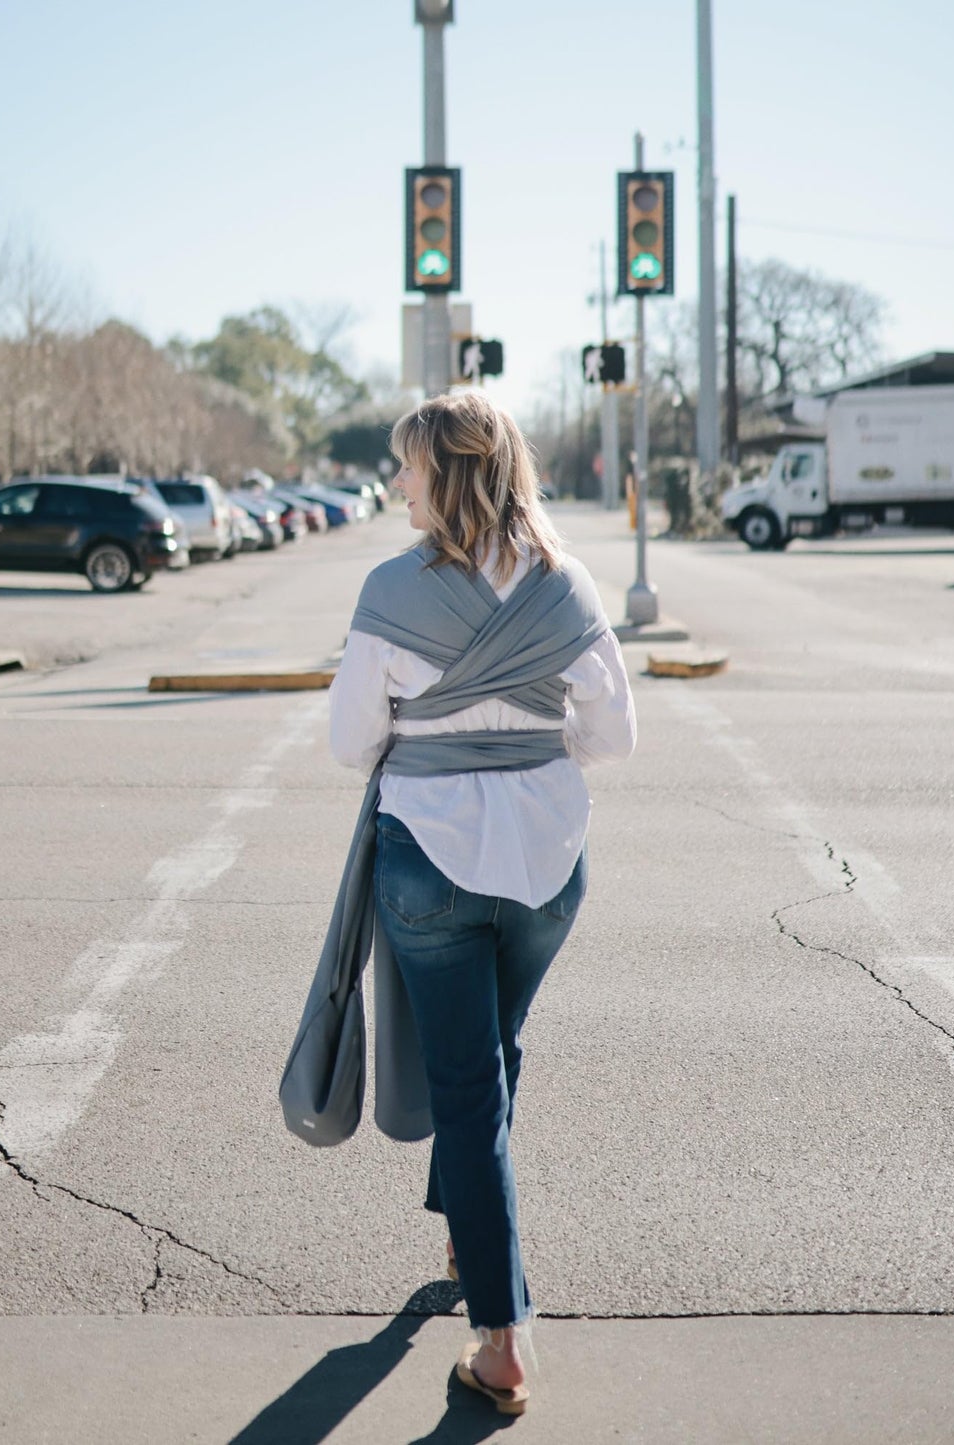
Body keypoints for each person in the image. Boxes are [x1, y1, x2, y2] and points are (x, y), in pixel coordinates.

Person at [327, 391, 636, 1413]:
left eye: (407, 466)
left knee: (466, 1084)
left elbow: (350, 743)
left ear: (448, 475)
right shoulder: (566, 583)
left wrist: (437, 727)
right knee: (490, 1055)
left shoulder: (389, 589)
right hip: (547, 867)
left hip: (431, 863)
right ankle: (467, 1226)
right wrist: (525, 734)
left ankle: (501, 1340)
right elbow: (611, 737)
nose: (396, 483)